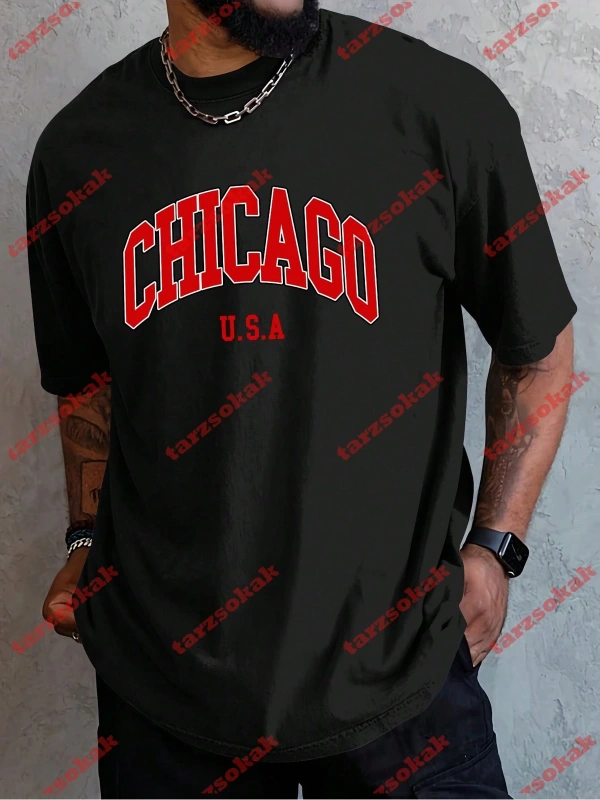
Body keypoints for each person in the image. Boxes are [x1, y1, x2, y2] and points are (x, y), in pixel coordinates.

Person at [25, 0, 577, 796]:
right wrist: (84, 539)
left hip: (403, 687)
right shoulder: (79, 151)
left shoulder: (437, 108)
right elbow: (87, 378)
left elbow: (537, 352)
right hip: (166, 700)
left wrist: (496, 548)